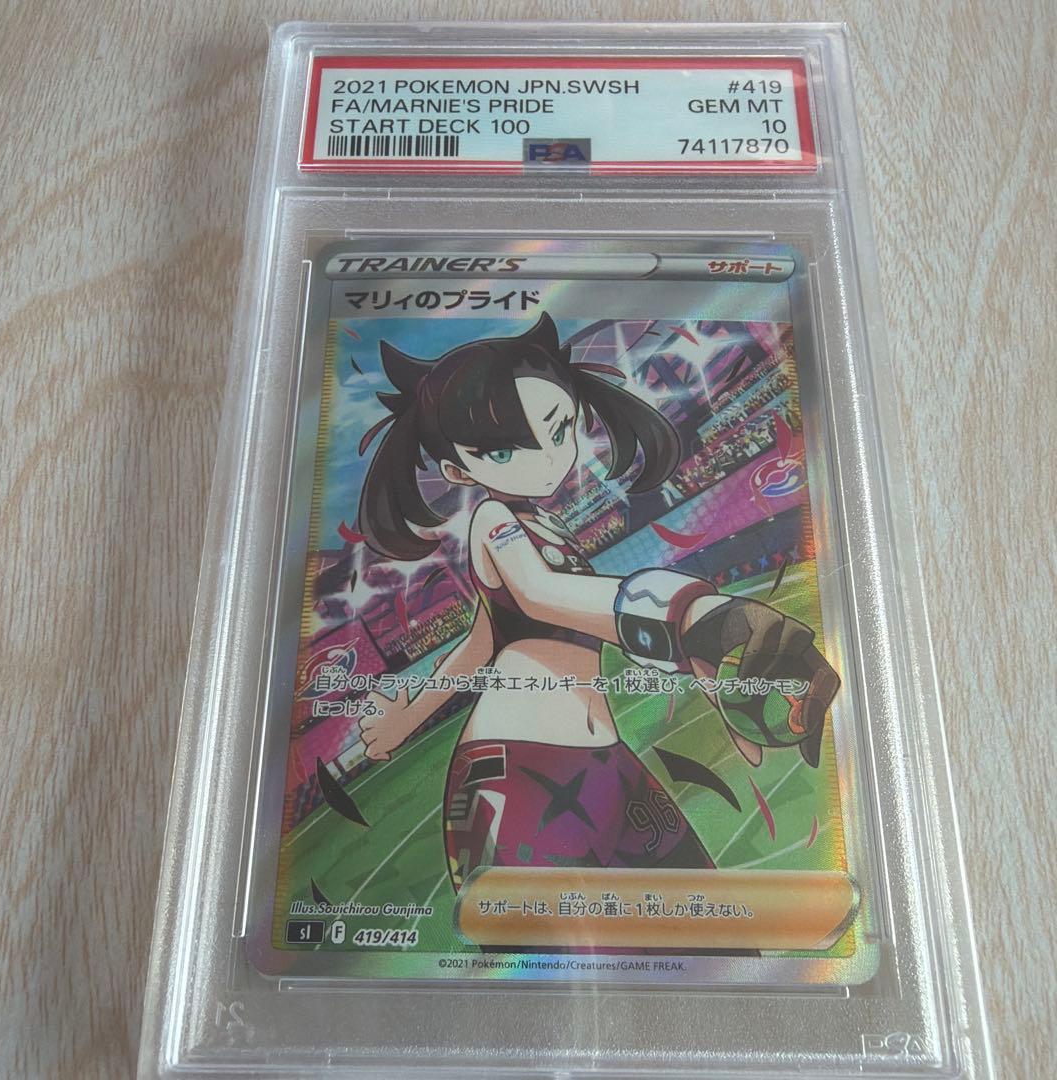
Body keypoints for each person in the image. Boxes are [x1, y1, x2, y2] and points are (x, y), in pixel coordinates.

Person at [355, 314, 838, 894]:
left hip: (606, 762)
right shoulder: (493, 520)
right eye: (505, 451)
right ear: (459, 470)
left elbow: (482, 643)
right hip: (520, 772)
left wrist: (696, 658)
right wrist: (688, 616)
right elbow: (541, 594)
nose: (546, 456)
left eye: (559, 428)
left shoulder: (549, 527)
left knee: (702, 916)